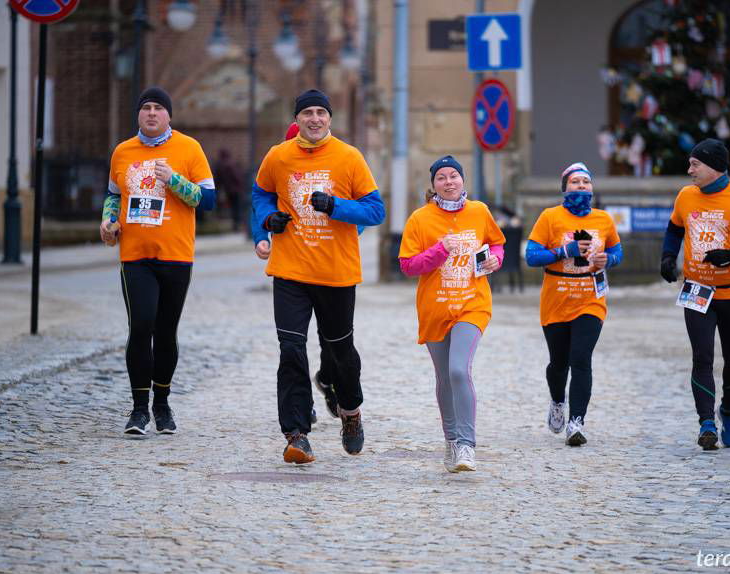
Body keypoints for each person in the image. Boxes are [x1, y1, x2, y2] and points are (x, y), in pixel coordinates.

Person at [251, 89, 385, 464]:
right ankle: (296, 434)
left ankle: (351, 413)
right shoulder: (278, 156)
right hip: (290, 271)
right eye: (307, 113)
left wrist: (337, 206)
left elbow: (376, 211)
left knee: (341, 353)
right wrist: (267, 220)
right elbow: (260, 193)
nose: (314, 119)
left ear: (329, 118)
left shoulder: (348, 157)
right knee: (291, 350)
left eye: (320, 113)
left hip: (336, 273)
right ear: (298, 119)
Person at [100, 86, 216, 435]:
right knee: (141, 326)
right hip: (135, 256)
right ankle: (138, 409)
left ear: (169, 115)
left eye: (158, 108)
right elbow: (113, 195)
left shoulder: (189, 148)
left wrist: (174, 180)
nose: (151, 113)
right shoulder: (123, 152)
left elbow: (208, 200)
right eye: (146, 108)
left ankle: (162, 404)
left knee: (165, 332)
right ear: (138, 114)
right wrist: (108, 221)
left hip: (176, 255)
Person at [660, 138, 730, 450]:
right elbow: (674, 230)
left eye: (695, 164)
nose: (689, 169)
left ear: (713, 166)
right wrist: (668, 258)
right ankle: (706, 423)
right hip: (697, 290)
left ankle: (729, 410)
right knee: (702, 357)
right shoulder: (685, 196)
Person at [399, 155, 506, 472]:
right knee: (444, 377)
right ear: (433, 186)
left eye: (454, 176)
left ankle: (466, 446)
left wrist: (495, 260)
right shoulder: (420, 219)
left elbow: (497, 243)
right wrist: (440, 249)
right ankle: (450, 440)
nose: (449, 182)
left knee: (459, 370)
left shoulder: (479, 211)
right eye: (442, 178)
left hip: (473, 303)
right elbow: (407, 265)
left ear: (463, 180)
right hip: (435, 308)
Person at [525, 162, 622, 446]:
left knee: (581, 359)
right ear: (565, 188)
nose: (582, 186)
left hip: (590, 299)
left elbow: (616, 249)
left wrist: (610, 259)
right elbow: (531, 255)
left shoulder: (604, 219)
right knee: (559, 363)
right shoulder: (549, 217)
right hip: (556, 300)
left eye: (586, 182)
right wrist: (564, 250)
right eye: (575, 182)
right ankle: (557, 400)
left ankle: (576, 422)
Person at [212, 148, 244, 230]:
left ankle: (236, 224)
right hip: (235, 189)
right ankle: (237, 224)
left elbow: (218, 179)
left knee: (234, 207)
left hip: (229, 190)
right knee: (237, 207)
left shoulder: (221, 165)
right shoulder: (230, 164)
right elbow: (237, 177)